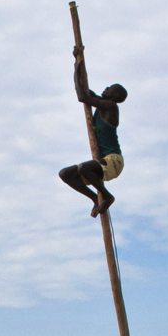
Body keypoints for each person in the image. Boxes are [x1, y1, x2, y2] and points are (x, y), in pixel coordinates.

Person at [59, 45, 128, 218]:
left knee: (85, 168)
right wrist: (77, 62)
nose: (106, 88)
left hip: (113, 161)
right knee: (66, 174)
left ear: (115, 96)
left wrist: (77, 63)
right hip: (103, 162)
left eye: (110, 88)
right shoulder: (101, 104)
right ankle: (95, 199)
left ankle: (107, 196)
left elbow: (83, 97)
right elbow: (81, 91)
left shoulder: (110, 107)